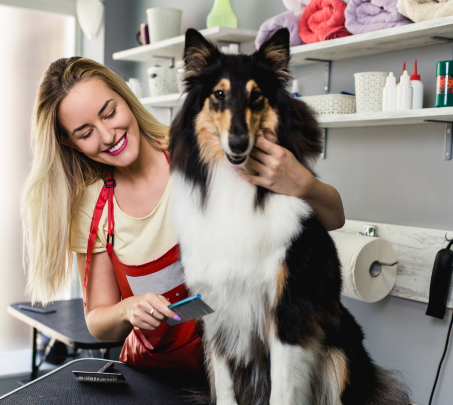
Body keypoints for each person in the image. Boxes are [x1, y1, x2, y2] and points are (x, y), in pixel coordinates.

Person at [21, 57, 345, 371]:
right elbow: (98, 321)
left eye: (110, 112)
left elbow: (333, 219)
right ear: (69, 142)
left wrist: (303, 183)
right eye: (85, 132)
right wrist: (127, 309)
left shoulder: (202, 152)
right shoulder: (93, 209)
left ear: (125, 97)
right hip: (157, 375)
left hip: (239, 367)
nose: (108, 135)